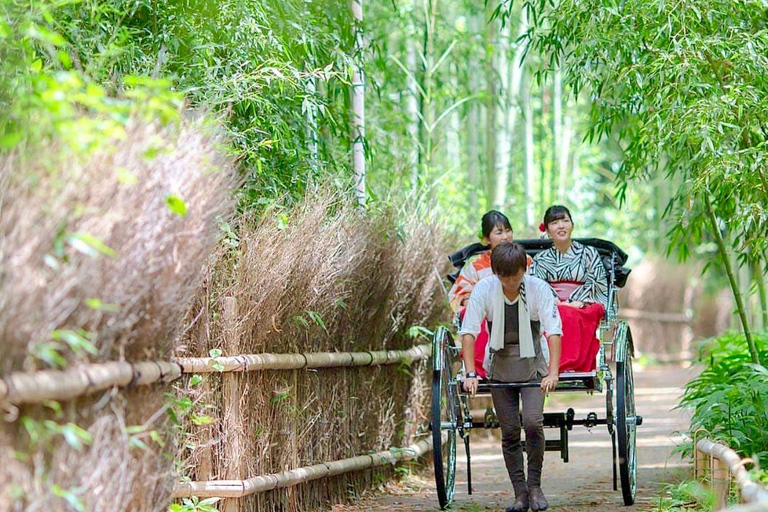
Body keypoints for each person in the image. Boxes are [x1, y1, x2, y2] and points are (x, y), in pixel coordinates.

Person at [461, 242, 562, 512]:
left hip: (532, 366)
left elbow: (553, 331)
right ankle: (520, 494)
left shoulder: (538, 288)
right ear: (495, 273)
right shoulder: (485, 289)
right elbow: (468, 332)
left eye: (515, 276)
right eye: (504, 277)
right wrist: (471, 373)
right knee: (508, 431)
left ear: (524, 269)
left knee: (532, 423)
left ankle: (535, 486)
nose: (510, 282)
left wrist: (552, 372)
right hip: (499, 366)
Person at [448, 211, 531, 378]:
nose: (505, 236)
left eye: (508, 231)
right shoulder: (475, 264)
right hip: (484, 312)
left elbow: (535, 289)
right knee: (475, 318)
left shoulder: (525, 260)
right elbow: (458, 295)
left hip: (520, 308)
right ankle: (478, 369)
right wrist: (474, 302)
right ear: (486, 239)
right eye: (499, 232)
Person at [531, 205, 609, 373]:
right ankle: (549, 365)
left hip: (585, 303)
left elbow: (597, 282)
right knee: (555, 314)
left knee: (567, 314)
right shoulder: (540, 259)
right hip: (551, 303)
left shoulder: (588, 253)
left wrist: (576, 302)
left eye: (565, 221)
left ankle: (570, 365)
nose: (561, 226)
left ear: (572, 225)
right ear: (547, 230)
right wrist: (555, 301)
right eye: (555, 222)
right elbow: (536, 286)